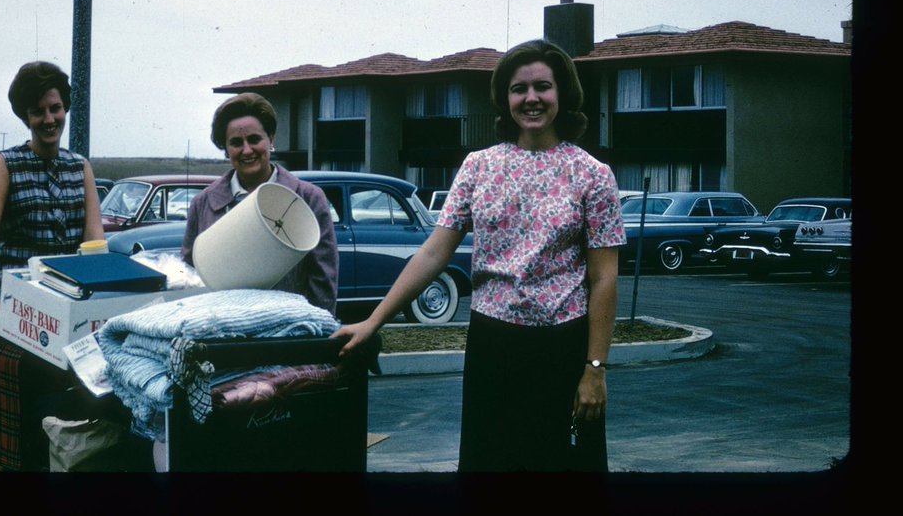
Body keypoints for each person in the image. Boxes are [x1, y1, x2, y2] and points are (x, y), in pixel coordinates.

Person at [333, 39, 625, 472]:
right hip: (494, 345)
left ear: (562, 93)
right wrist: (374, 320)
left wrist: (595, 368)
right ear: (504, 99)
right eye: (518, 89)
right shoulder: (479, 167)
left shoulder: (593, 175)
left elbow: (604, 279)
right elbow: (433, 254)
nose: (531, 99)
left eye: (542, 86)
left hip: (563, 348)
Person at [0, 60, 106, 471]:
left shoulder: (79, 166)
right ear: (25, 116)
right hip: (17, 315)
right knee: (16, 422)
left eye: (55, 108)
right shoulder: (4, 164)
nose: (49, 119)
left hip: (69, 315)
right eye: (38, 111)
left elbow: (94, 241)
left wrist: (100, 302)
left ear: (65, 108)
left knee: (68, 414)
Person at [181, 92, 338, 315]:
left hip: (287, 335)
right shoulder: (202, 204)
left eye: (254, 139)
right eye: (236, 143)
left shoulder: (309, 198)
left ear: (271, 139)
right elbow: (190, 275)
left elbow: (323, 283)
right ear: (226, 149)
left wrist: (314, 340)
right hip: (221, 335)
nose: (247, 150)